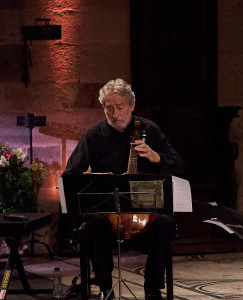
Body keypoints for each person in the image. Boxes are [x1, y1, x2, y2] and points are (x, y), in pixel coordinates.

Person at [64, 78, 184, 300]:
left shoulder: (150, 130)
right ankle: (104, 287)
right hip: (108, 216)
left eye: (120, 107)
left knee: (165, 224)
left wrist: (157, 157)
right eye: (108, 108)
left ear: (131, 106)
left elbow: (178, 163)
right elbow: (71, 174)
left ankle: (153, 289)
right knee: (95, 224)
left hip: (145, 214)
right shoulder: (94, 134)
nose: (114, 113)